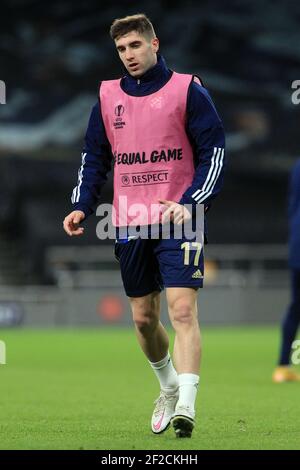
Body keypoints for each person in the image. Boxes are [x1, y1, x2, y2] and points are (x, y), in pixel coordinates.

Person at [63, 14, 225, 437]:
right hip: (129, 219)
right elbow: (94, 156)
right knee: (142, 318)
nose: (129, 55)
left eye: (135, 45)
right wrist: (81, 204)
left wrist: (191, 203)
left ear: (155, 43)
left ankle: (187, 406)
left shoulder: (188, 89)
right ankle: (169, 387)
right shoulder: (107, 96)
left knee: (183, 310)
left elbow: (214, 151)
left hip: (179, 217)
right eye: (121, 49)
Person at [273, 160, 300, 383]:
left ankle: (282, 366)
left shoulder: (297, 166)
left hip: (297, 246)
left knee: (296, 306)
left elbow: (292, 207)